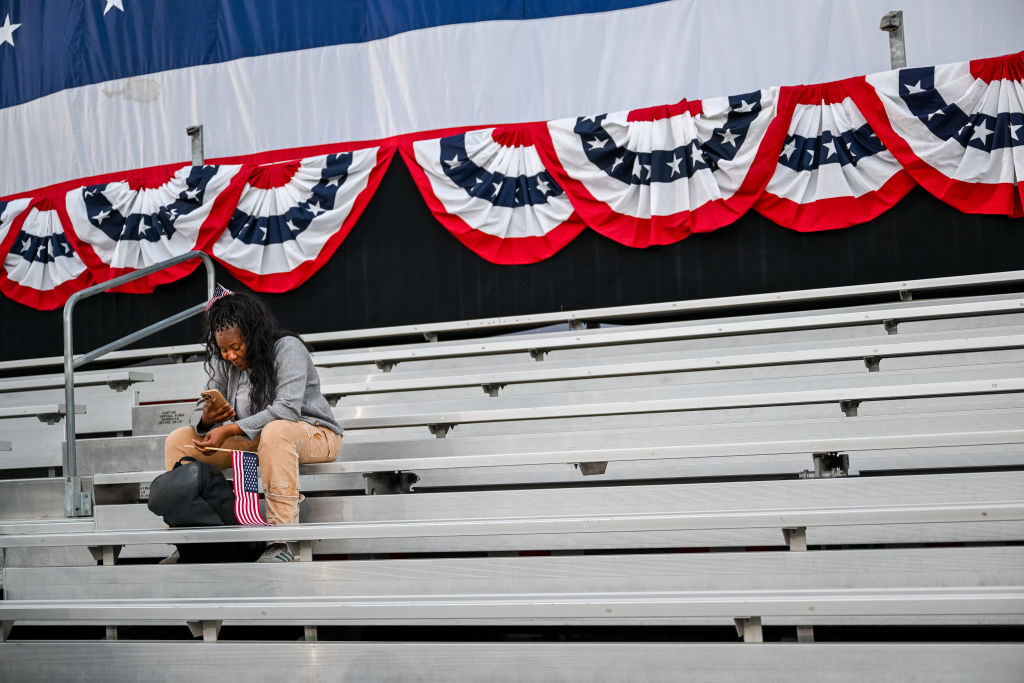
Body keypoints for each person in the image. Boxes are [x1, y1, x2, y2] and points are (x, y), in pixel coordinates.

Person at [162, 286, 343, 563]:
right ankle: (187, 539)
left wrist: (230, 428)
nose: (231, 356)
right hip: (259, 438)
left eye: (236, 347)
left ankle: (281, 539)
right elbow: (199, 409)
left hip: (314, 432)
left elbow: (287, 409)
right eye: (223, 350)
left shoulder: (288, 348)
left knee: (277, 428)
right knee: (178, 439)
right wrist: (208, 418)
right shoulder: (225, 362)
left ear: (254, 335)